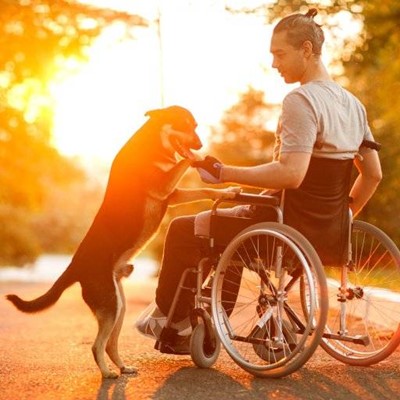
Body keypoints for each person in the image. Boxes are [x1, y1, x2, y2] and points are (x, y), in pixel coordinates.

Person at [135, 8, 382, 353]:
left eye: (279, 54)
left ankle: (172, 321)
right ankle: (212, 314)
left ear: (307, 50)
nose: (274, 64)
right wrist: (343, 214)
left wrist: (225, 174)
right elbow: (373, 174)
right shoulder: (353, 106)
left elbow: (292, 174)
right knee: (231, 221)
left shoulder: (301, 100)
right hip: (324, 231)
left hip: (281, 225)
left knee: (183, 229)